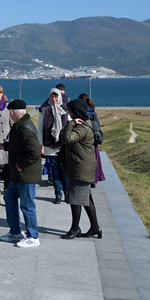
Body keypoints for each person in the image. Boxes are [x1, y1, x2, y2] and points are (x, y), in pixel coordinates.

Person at [0, 99, 41, 248]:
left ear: (12, 113)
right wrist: (4, 146)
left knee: (27, 205)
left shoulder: (25, 128)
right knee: (10, 198)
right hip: (17, 174)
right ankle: (15, 232)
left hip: (26, 174)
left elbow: (34, 153)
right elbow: (17, 144)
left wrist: (20, 165)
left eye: (10, 112)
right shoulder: (19, 126)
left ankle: (33, 237)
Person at [62, 99, 101, 239]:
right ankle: (95, 227)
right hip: (81, 166)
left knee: (75, 199)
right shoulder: (84, 124)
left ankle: (75, 228)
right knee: (85, 198)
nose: (67, 112)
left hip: (81, 168)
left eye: (69, 110)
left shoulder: (83, 128)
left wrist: (70, 123)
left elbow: (67, 138)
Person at [39, 88, 70, 204]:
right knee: (55, 173)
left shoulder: (65, 109)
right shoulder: (45, 110)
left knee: (65, 172)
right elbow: (40, 129)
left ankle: (67, 193)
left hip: (63, 146)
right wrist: (41, 144)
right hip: (50, 147)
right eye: (52, 97)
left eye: (56, 96)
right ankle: (58, 194)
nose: (54, 99)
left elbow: (70, 125)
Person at [79, 94, 105, 188]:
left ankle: (87, 178)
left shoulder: (82, 112)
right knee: (96, 160)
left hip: (86, 140)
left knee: (87, 161)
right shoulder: (93, 111)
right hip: (95, 140)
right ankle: (95, 179)